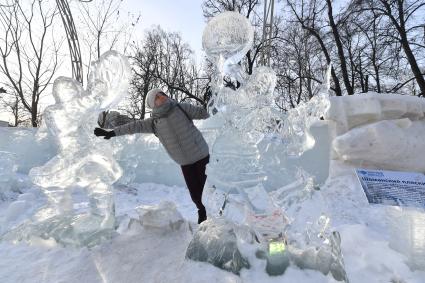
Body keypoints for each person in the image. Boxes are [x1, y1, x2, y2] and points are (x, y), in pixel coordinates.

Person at [94, 89, 210, 224]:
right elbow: (133, 127)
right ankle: (202, 211)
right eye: (157, 97)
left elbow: (204, 113)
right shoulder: (154, 123)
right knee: (195, 193)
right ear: (152, 104)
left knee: (207, 188)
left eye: (162, 94)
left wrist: (215, 103)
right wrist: (111, 133)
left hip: (201, 154)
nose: (161, 97)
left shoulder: (181, 108)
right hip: (184, 162)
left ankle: (216, 213)